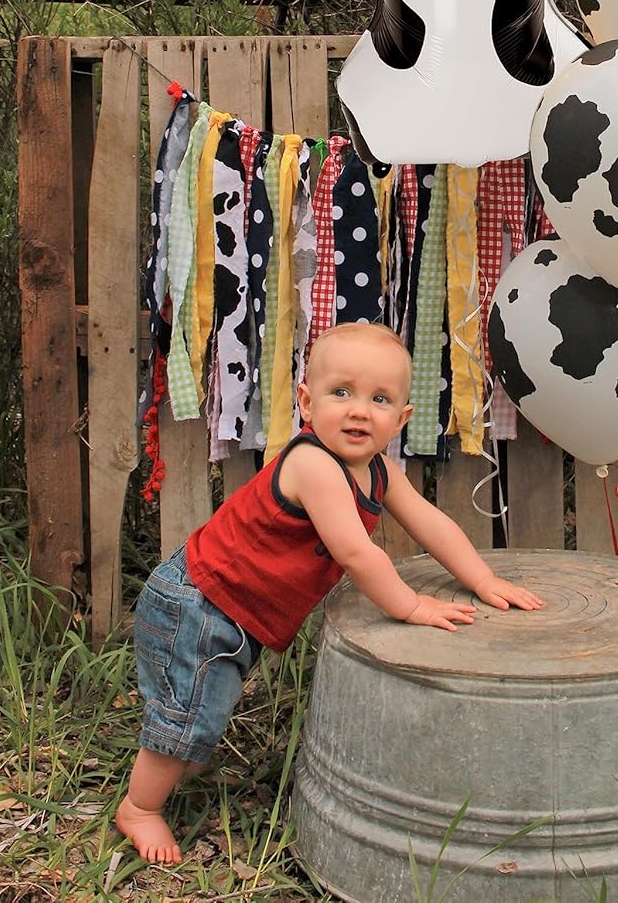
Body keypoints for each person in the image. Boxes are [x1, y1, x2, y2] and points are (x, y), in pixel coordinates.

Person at [115, 321, 544, 863]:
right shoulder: (314, 464)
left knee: (203, 703)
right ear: (307, 401)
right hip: (200, 602)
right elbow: (357, 553)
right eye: (341, 392)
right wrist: (410, 605)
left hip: (231, 607)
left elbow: (430, 522)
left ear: (402, 418)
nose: (359, 410)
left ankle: (185, 756)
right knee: (186, 711)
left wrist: (481, 578)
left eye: (379, 399)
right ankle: (140, 808)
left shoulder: (379, 470)